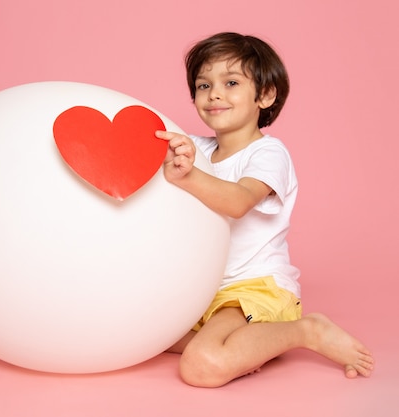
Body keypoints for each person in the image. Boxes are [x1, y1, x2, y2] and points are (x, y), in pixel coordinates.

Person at [155, 32, 374, 388]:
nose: (214, 94)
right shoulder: (195, 148)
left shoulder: (268, 153)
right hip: (201, 291)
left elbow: (239, 201)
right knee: (144, 337)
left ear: (266, 95)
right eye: (203, 84)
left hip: (253, 286)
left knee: (201, 367)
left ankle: (308, 331)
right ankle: (250, 347)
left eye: (231, 82)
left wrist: (187, 176)